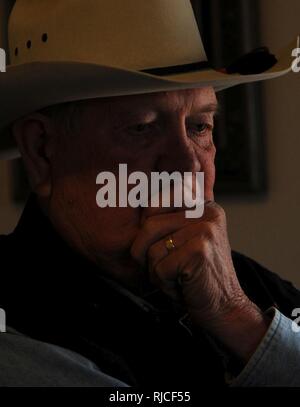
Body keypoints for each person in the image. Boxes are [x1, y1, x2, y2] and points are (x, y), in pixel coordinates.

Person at [0, 0, 299, 387]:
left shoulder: (244, 287)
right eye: (141, 128)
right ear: (42, 149)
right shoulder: (15, 329)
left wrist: (236, 316)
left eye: (199, 126)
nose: (188, 166)